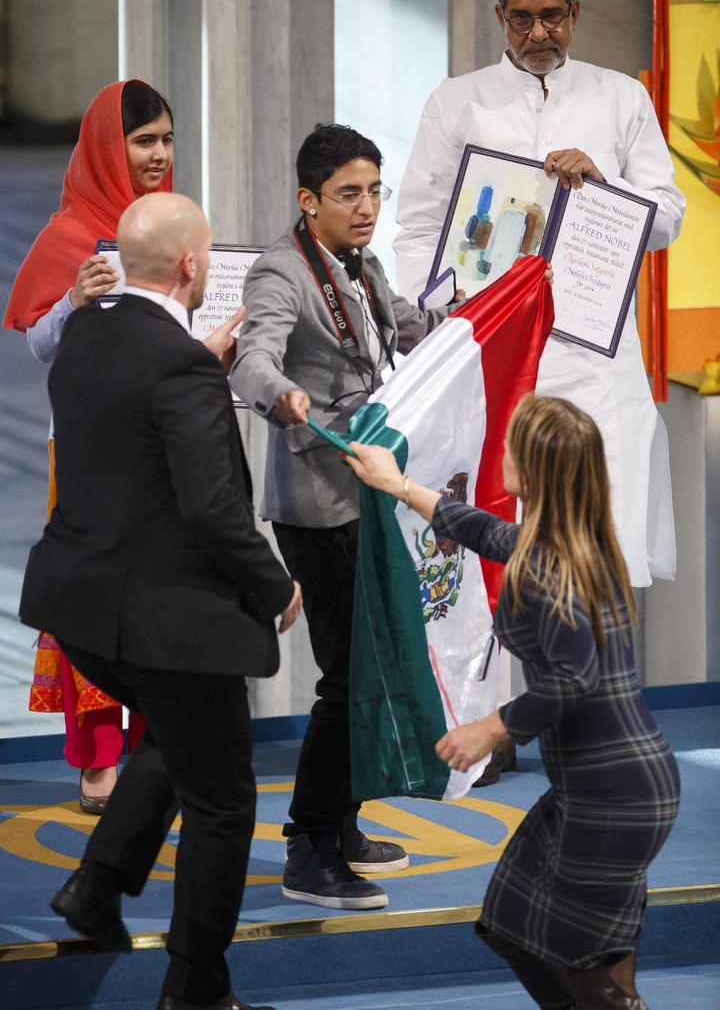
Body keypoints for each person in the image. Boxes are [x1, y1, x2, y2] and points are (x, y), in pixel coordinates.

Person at [20, 191, 301, 1010]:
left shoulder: (87, 333)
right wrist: (275, 583)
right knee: (222, 796)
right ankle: (196, 989)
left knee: (181, 735)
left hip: (79, 609)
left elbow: (131, 426)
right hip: (163, 615)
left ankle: (98, 887)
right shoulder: (178, 364)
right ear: (192, 266)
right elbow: (214, 507)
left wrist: (198, 374)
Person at [344, 394, 680, 1010]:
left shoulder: (550, 563)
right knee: (541, 935)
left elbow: (571, 676)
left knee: (565, 958)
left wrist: (489, 729)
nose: (500, 451)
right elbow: (484, 530)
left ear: (529, 467)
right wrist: (399, 485)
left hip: (610, 793)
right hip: (619, 785)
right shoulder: (574, 544)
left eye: (509, 445)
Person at [395, 0, 685, 594]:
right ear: (500, 16)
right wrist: (445, 313)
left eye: (552, 17)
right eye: (521, 19)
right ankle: (513, 698)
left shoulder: (621, 98)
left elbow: (667, 218)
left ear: (575, 12)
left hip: (595, 359)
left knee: (602, 548)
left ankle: (596, 694)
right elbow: (417, 227)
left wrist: (606, 188)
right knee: (501, 560)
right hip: (494, 349)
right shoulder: (457, 102)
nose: (538, 35)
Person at [230, 123, 462, 910]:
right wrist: (280, 395)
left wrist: (473, 318)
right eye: (349, 194)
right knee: (345, 677)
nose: (367, 208)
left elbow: (402, 329)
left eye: (375, 190)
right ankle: (308, 845)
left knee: (374, 663)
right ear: (309, 200)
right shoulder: (280, 271)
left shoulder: (363, 262)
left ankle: (343, 822)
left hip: (372, 488)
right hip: (316, 506)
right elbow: (250, 357)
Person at [3, 79, 176, 812]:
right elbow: (41, 346)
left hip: (165, 442)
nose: (159, 154)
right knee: (93, 595)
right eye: (143, 141)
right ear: (111, 146)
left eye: (167, 139)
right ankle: (99, 752)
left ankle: (157, 743)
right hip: (83, 452)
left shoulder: (174, 224)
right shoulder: (70, 236)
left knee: (162, 594)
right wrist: (73, 300)